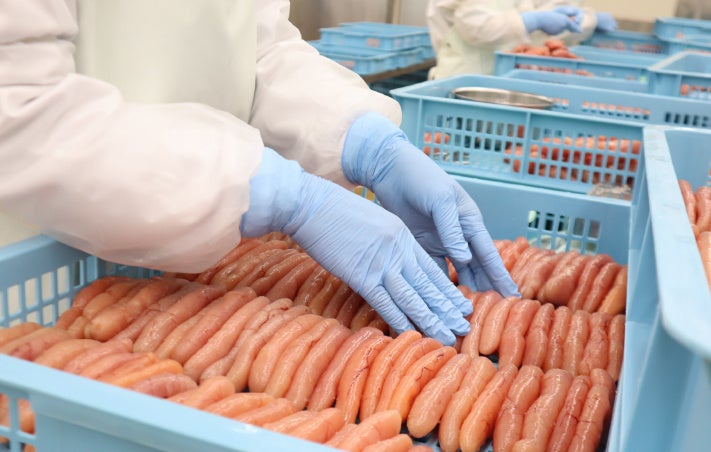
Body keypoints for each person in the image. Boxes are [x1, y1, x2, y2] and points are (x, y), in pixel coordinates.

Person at [0, 0, 518, 347]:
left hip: (200, 271)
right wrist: (269, 190)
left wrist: (362, 137)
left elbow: (262, 49)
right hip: (42, 271)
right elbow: (19, 111)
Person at [427, 0, 618, 79]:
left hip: (508, 83)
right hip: (464, 81)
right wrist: (532, 21)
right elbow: (477, 26)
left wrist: (584, 19)